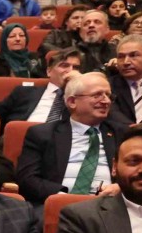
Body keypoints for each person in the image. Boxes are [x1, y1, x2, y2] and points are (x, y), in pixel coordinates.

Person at [16, 72, 125, 209]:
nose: (106, 101)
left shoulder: (123, 134)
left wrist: (120, 187)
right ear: (72, 102)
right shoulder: (42, 134)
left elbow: (138, 174)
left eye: (108, 95)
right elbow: (27, 178)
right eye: (97, 95)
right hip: (57, 206)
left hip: (109, 207)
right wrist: (62, 197)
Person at [0, 48, 82, 135]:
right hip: (21, 137)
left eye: (76, 68)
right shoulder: (24, 92)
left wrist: (79, 84)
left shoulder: (82, 98)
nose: (71, 70)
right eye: (64, 65)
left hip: (61, 143)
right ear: (49, 71)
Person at [0, 24, 45, 107]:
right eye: (12, 36)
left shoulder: (37, 59)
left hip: (32, 105)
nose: (18, 39)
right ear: (4, 40)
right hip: (0, 106)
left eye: (22, 36)